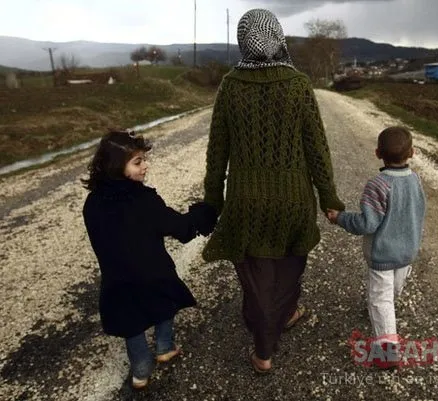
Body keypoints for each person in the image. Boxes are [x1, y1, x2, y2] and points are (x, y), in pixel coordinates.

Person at [201, 8, 345, 373]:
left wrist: (213, 200)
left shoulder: (231, 85)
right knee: (289, 266)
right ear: (278, 37)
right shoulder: (298, 85)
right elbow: (317, 149)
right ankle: (276, 323)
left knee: (254, 270)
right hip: (294, 198)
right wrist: (328, 198)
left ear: (243, 41)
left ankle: (262, 337)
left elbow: (217, 150)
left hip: (245, 200)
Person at [82, 131, 217, 388]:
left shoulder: (92, 203)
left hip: (117, 278)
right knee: (163, 303)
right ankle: (165, 347)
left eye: (144, 159)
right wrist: (203, 214)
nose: (146, 166)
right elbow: (180, 228)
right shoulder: (143, 199)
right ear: (116, 166)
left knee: (130, 319)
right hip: (153, 271)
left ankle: (141, 369)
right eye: (137, 162)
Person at [327, 126, 426, 368]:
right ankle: (382, 314)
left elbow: (367, 223)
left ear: (377, 153)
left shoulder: (378, 185)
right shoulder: (416, 180)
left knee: (381, 299)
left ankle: (387, 351)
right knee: (392, 291)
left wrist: (340, 218)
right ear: (412, 152)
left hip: (383, 254)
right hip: (407, 252)